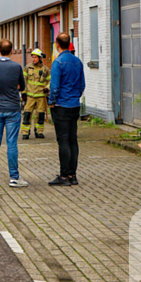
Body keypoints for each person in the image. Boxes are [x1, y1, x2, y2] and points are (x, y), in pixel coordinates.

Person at [0, 40, 27, 187]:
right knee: (11, 143)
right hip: (12, 109)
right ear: (11, 51)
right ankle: (14, 178)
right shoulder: (16, 66)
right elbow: (22, 86)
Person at [48, 33, 85, 186]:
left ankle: (63, 177)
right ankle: (73, 175)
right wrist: (75, 97)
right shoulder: (78, 62)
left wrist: (52, 102)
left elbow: (54, 86)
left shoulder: (58, 62)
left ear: (57, 44)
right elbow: (82, 85)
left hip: (61, 106)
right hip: (75, 105)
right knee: (72, 140)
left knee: (63, 141)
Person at [21, 49, 51, 140]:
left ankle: (39, 132)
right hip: (30, 96)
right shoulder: (27, 68)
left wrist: (47, 88)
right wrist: (23, 93)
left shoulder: (45, 69)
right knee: (27, 114)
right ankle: (25, 133)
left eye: (35, 57)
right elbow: (23, 81)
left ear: (40, 58)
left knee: (40, 115)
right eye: (33, 57)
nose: (33, 59)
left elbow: (51, 80)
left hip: (41, 96)